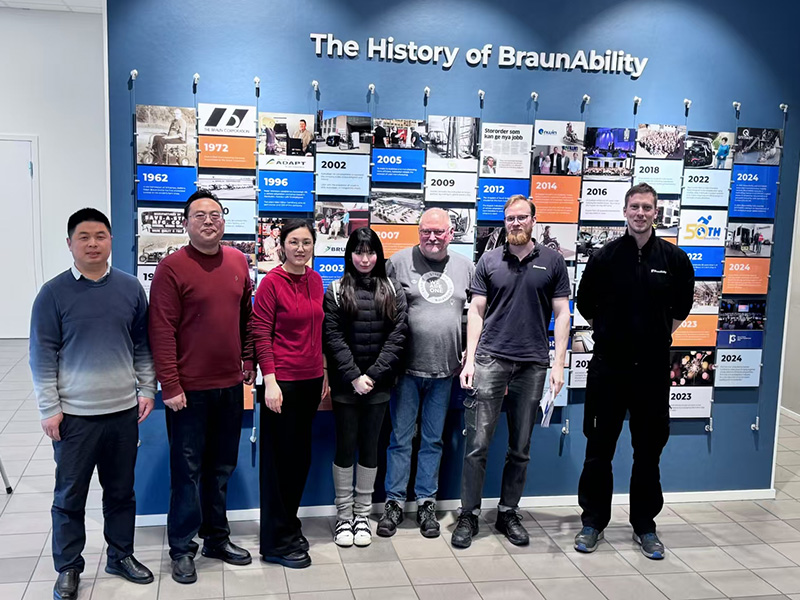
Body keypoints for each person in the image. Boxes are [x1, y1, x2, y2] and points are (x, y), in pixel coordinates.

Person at [30, 208, 156, 600]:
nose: (92, 244)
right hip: (74, 417)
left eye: (100, 236)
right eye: (83, 237)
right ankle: (68, 567)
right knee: (69, 497)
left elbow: (142, 345)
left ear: (111, 241)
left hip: (122, 412)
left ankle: (120, 555)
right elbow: (41, 355)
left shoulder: (130, 288)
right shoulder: (52, 293)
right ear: (70, 244)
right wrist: (49, 407)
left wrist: (147, 389)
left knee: (121, 492)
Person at [573, 183, 694, 559]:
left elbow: (681, 309)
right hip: (608, 369)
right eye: (635, 207)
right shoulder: (604, 257)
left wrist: (652, 337)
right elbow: (586, 304)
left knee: (648, 452)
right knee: (598, 450)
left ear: (656, 213)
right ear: (625, 211)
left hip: (651, 372)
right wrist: (614, 334)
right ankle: (593, 522)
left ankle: (645, 525)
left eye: (647, 207)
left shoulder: (674, 259)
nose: (641, 213)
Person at [149, 190, 256, 584]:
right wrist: (170, 384)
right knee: (187, 473)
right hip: (188, 392)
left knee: (221, 468)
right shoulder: (171, 268)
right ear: (186, 223)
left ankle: (216, 538)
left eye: (215, 214)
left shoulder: (238, 261)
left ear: (224, 220)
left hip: (229, 386)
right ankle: (181, 548)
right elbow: (161, 330)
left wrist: (248, 359)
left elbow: (246, 316)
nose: (209, 221)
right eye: (199, 215)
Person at [453, 195, 571, 549]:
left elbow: (562, 313)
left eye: (522, 217)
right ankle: (468, 515)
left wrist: (559, 362)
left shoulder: (553, 261)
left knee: (520, 447)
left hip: (533, 363)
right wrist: (470, 360)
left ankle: (507, 512)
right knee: (477, 445)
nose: (516, 223)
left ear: (534, 220)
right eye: (510, 218)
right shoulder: (489, 260)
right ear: (504, 222)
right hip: (490, 359)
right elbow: (476, 311)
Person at [378, 208, 474, 538]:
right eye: (426, 231)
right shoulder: (398, 262)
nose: (432, 237)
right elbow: (383, 312)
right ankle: (393, 503)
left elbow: (477, 313)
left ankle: (426, 503)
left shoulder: (465, 267)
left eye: (439, 232)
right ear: (418, 232)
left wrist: (470, 350)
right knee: (400, 440)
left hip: (445, 372)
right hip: (404, 371)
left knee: (433, 441)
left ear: (451, 233)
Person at [252, 219, 329, 568]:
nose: (301, 248)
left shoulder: (315, 280)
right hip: (280, 384)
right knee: (278, 464)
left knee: (299, 461)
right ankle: (274, 543)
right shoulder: (271, 282)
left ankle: (288, 525)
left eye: (306, 242)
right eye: (294, 242)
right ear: (282, 245)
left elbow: (320, 330)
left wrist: (324, 369)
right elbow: (260, 333)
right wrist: (269, 381)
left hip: (310, 382)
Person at [324, 228, 407, 547]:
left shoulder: (393, 289)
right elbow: (333, 337)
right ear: (350, 255)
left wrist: (372, 375)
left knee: (371, 448)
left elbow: (398, 335)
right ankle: (344, 516)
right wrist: (354, 377)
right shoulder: (335, 290)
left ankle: (362, 515)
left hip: (379, 385)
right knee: (345, 447)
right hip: (346, 386)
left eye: (370, 252)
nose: (364, 258)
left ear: (378, 255)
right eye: (358, 252)